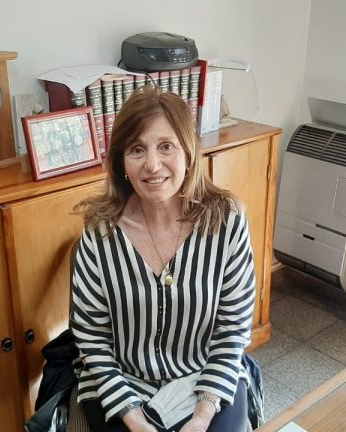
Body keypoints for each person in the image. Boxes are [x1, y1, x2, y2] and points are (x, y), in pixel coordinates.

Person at [71, 86, 256, 432]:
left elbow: (233, 329)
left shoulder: (226, 220)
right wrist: (133, 418)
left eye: (166, 146)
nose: (153, 165)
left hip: (205, 379)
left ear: (188, 152)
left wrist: (202, 417)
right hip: (123, 383)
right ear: (121, 162)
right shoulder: (100, 233)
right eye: (137, 149)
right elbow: (92, 337)